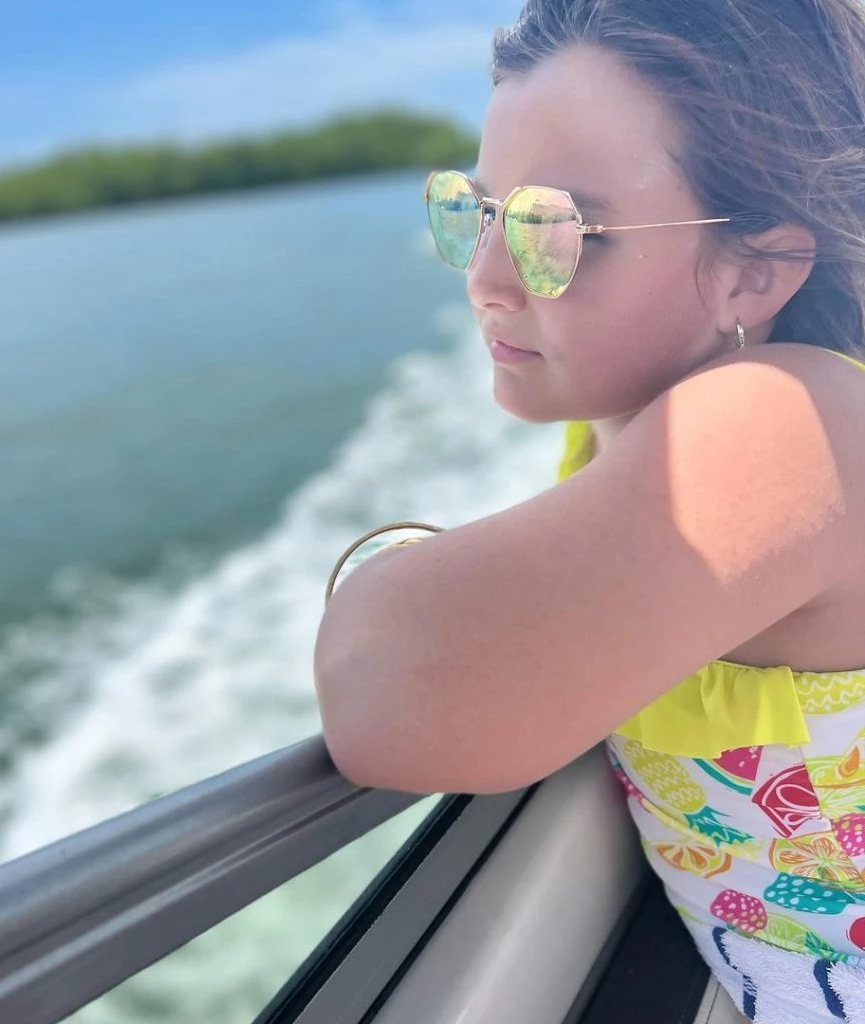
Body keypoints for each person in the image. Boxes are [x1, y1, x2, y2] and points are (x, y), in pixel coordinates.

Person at [312, 0, 865, 1019]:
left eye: (551, 230)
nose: (486, 280)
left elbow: (388, 701)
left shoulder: (790, 422)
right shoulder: (622, 429)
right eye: (476, 212)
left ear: (753, 271)